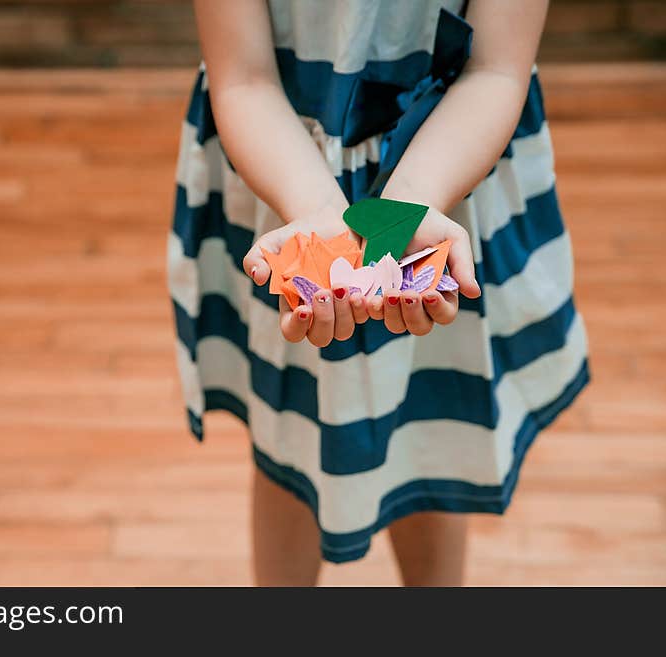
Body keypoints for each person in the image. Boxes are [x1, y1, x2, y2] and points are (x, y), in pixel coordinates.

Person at [168, 0, 589, 585]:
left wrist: (410, 200)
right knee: (286, 432)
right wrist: (315, 209)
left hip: (452, 167)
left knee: (431, 429)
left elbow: (496, 67)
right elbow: (243, 76)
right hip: (280, 167)